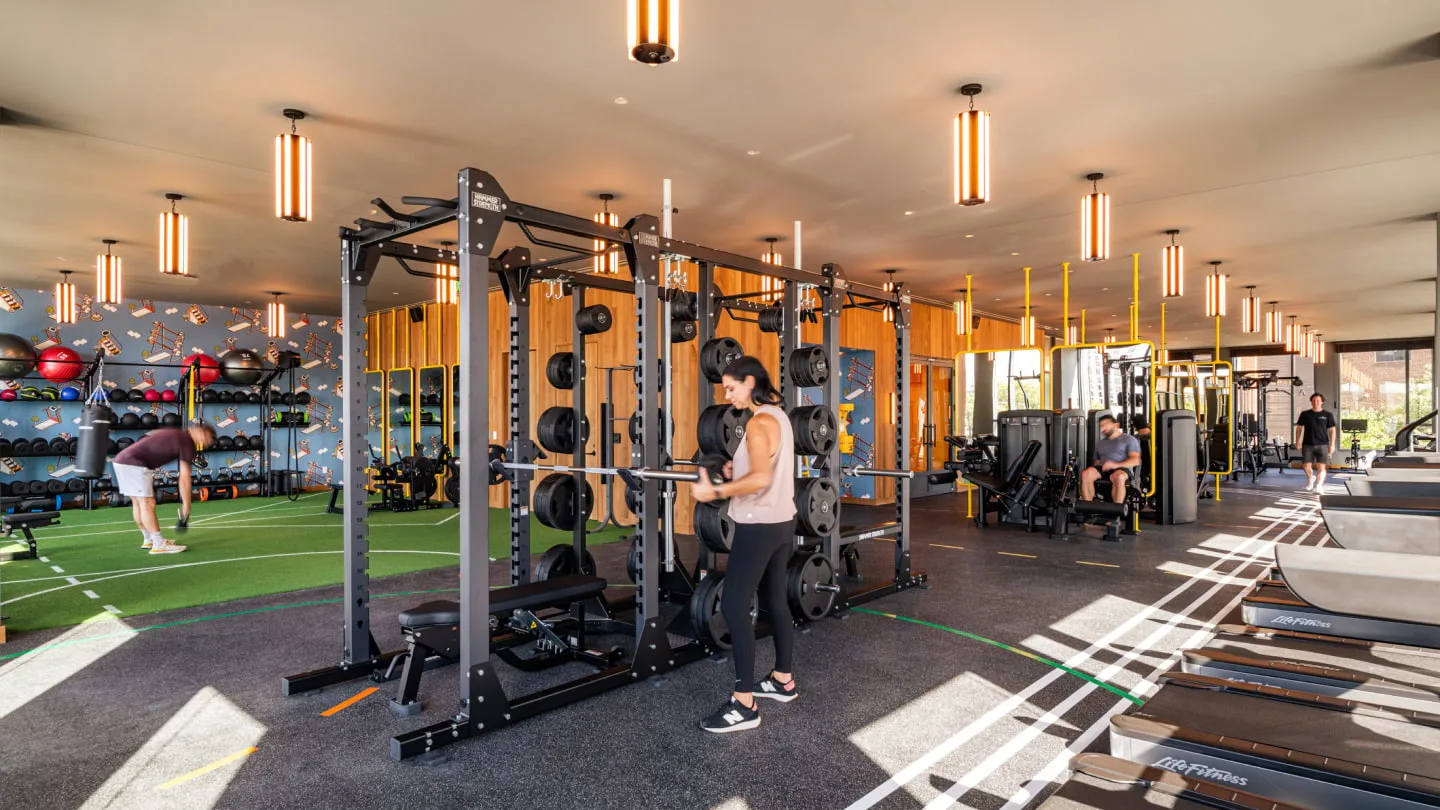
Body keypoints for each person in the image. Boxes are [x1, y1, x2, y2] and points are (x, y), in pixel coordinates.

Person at [692, 355, 796, 734]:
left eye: (731, 388)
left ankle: (744, 703)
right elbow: (766, 466)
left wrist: (715, 491)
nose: (728, 395)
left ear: (750, 382)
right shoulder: (778, 416)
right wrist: (738, 469)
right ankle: (783, 680)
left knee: (734, 605)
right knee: (775, 599)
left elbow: (760, 480)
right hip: (782, 522)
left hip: (757, 527)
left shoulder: (756, 423)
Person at [111, 421, 216, 554]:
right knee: (147, 503)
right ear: (200, 432)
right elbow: (184, 478)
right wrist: (187, 505)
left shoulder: (177, 434)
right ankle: (159, 544)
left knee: (138, 503)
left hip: (122, 460)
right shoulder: (187, 441)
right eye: (207, 439)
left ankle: (149, 539)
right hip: (134, 463)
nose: (205, 443)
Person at [1079, 413, 1142, 503]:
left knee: (1118, 477)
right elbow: (1097, 462)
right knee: (1085, 474)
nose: (1103, 428)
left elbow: (1135, 460)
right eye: (1102, 426)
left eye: (1106, 424)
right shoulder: (1100, 443)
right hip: (1104, 469)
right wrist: (1101, 464)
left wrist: (1114, 465)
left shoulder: (1129, 439)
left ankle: (1117, 509)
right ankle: (1088, 506)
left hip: (1122, 469)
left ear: (1116, 425)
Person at [1294, 393, 1336, 492]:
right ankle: (1310, 478)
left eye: (1317, 400)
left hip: (1323, 444)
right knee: (1306, 466)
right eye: (1313, 400)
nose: (1315, 402)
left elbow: (1332, 430)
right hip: (1307, 444)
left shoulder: (1328, 415)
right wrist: (1297, 441)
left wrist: (1332, 445)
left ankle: (1319, 486)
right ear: (1311, 402)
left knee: (1321, 467)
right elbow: (1299, 428)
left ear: (1322, 402)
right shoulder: (1305, 414)